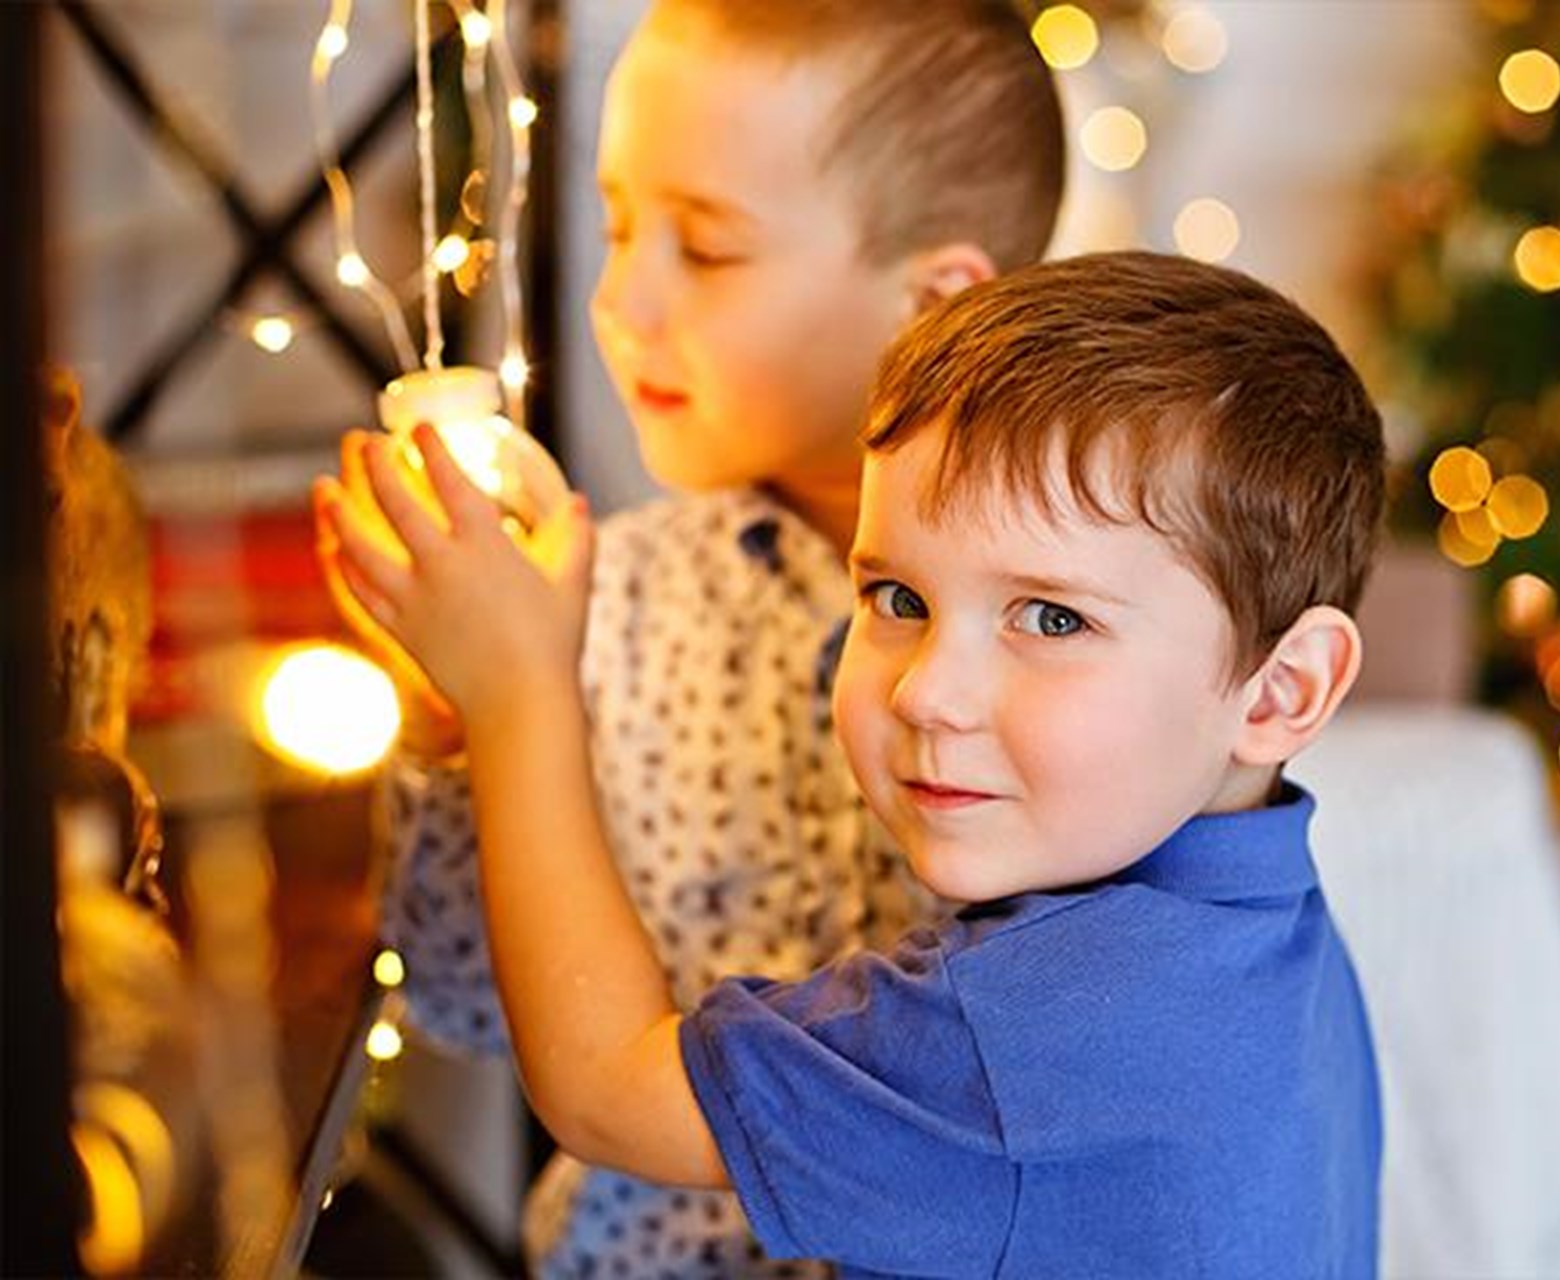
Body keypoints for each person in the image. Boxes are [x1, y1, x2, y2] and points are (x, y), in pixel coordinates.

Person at [315, 249, 1387, 1277]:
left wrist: (515, 690)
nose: (927, 690)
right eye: (898, 599)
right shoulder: (1263, 921)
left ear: (1284, 688)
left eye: (1052, 616)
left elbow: (603, 1091)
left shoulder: (1025, 1031)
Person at [316, 2, 1063, 1274]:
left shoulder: (1069, 642)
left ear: (931, 304)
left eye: (707, 250)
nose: (622, 301)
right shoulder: (605, 603)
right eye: (616, 227)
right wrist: (468, 724)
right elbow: (458, 997)